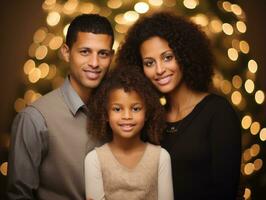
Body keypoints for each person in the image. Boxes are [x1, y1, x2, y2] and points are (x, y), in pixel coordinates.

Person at [116, 11, 241, 199]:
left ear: (184, 55)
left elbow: (226, 191)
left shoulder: (217, 112)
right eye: (149, 63)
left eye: (167, 57)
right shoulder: (150, 120)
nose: (159, 70)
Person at [7, 14, 114, 200]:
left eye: (102, 53)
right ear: (66, 52)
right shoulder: (35, 119)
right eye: (85, 52)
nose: (95, 63)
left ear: (111, 56)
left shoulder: (120, 113)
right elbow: (19, 196)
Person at [84, 66, 174, 200]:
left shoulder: (161, 157)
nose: (127, 116)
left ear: (147, 113)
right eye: (117, 109)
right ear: (106, 114)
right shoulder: (94, 159)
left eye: (136, 109)